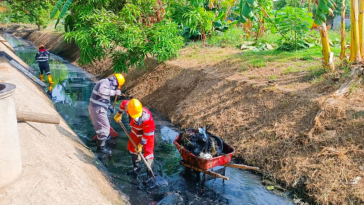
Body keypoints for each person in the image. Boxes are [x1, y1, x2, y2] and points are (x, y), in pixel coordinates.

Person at [114, 99, 155, 183]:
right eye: (134, 116)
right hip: (135, 130)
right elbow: (122, 104)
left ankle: (149, 175)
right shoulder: (127, 106)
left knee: (148, 151)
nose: (136, 118)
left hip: (148, 133)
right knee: (133, 148)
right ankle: (137, 167)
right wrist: (119, 114)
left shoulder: (147, 119)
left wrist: (141, 144)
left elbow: (146, 134)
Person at [88, 73, 125, 157]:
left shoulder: (106, 84)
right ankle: (101, 149)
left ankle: (98, 143)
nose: (116, 87)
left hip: (97, 108)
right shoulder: (105, 82)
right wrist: (114, 92)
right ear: (115, 81)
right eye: (117, 85)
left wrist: (109, 106)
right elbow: (102, 91)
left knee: (100, 128)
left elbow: (103, 98)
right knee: (105, 128)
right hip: (97, 109)